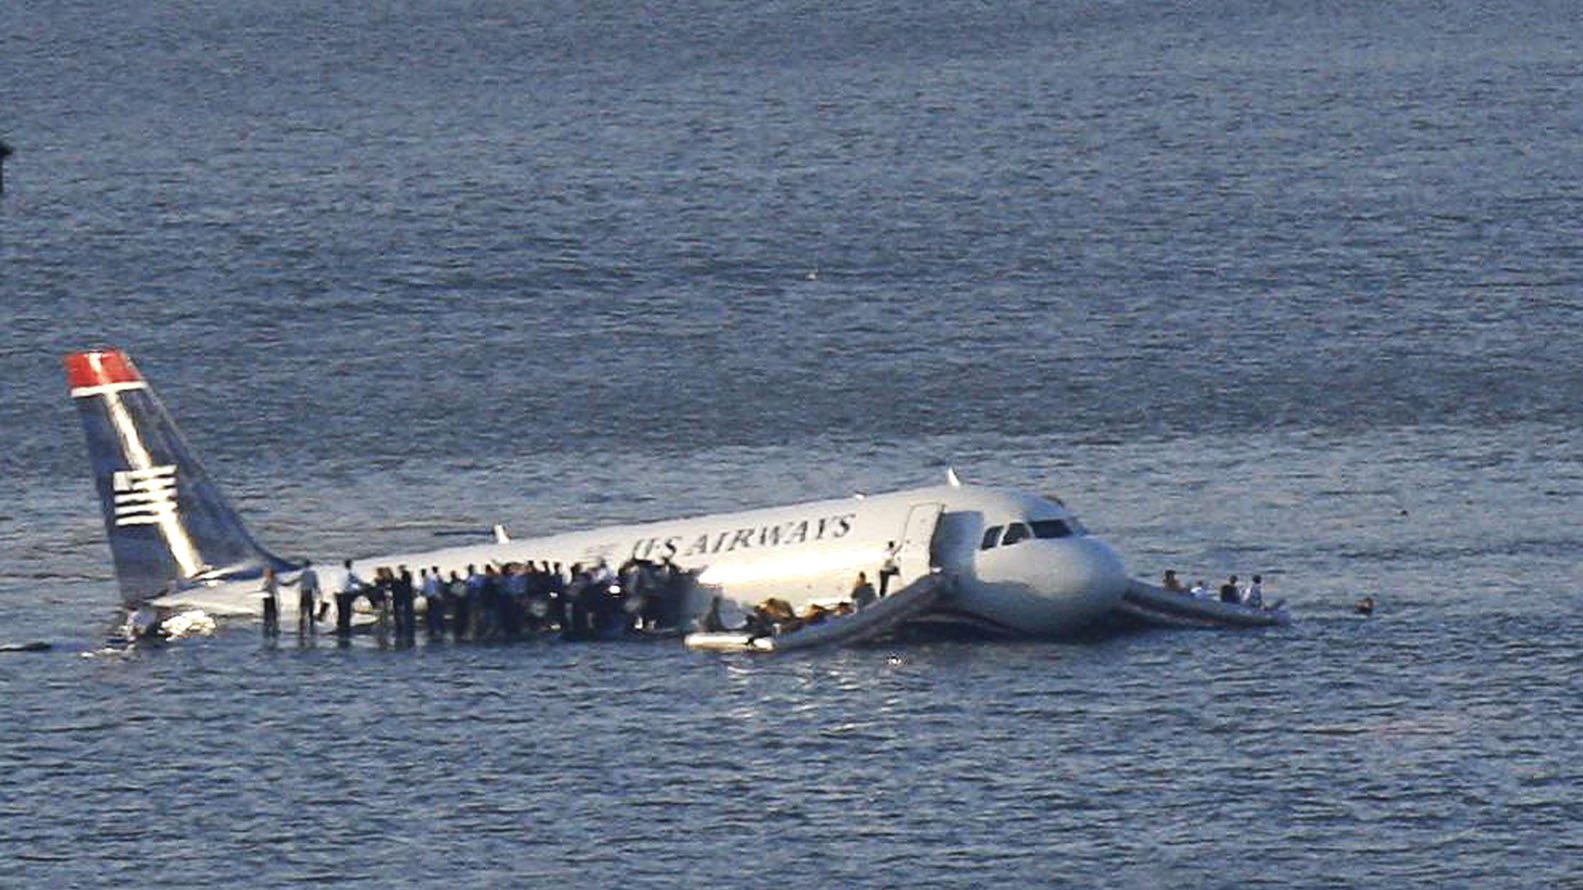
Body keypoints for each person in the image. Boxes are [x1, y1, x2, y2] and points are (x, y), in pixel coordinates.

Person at [336, 559, 363, 638]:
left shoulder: (340, 573)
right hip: (346, 595)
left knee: (341, 613)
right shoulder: (350, 573)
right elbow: (358, 582)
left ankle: (340, 627)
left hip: (338, 594)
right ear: (350, 565)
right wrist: (364, 585)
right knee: (346, 613)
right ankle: (345, 629)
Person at [297, 560, 321, 637]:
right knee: (311, 608)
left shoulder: (302, 572)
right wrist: (318, 592)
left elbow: (297, 580)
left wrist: (287, 584)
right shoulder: (313, 573)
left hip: (303, 592)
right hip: (309, 592)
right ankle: (311, 625)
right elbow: (316, 584)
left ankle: (301, 626)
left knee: (302, 608)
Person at [260, 567, 281, 638]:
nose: (265, 574)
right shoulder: (267, 580)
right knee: (268, 611)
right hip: (267, 597)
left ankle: (272, 625)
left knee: (271, 611)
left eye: (266, 573)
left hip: (270, 597)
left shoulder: (272, 580)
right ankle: (270, 625)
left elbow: (270, 588)